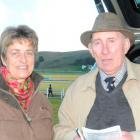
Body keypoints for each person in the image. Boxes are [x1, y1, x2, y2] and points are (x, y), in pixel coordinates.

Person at [54, 12, 140, 140]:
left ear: (126, 45)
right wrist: (72, 138)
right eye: (98, 43)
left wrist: (134, 137)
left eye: (111, 41)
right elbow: (60, 130)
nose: (105, 51)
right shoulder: (77, 88)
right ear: (91, 50)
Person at [0, 25, 53, 140]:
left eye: (29, 53)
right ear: (4, 59)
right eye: (15, 53)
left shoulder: (43, 102)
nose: (23, 60)